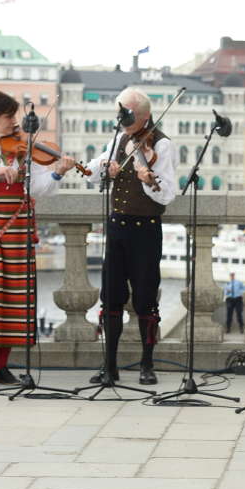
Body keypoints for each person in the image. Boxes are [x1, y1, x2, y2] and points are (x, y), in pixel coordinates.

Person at [0, 91, 77, 383]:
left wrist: (58, 173)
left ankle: (2, 365)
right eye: (10, 116)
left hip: (16, 224)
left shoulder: (22, 147)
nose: (15, 122)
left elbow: (36, 187)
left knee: (14, 291)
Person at [83, 87, 175, 385]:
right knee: (111, 297)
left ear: (145, 116)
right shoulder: (119, 139)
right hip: (117, 227)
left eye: (128, 113)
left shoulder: (163, 145)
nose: (123, 118)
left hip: (145, 229)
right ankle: (109, 366)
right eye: (120, 112)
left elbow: (167, 194)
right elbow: (94, 170)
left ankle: (147, 365)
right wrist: (104, 169)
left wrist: (148, 178)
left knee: (146, 299)